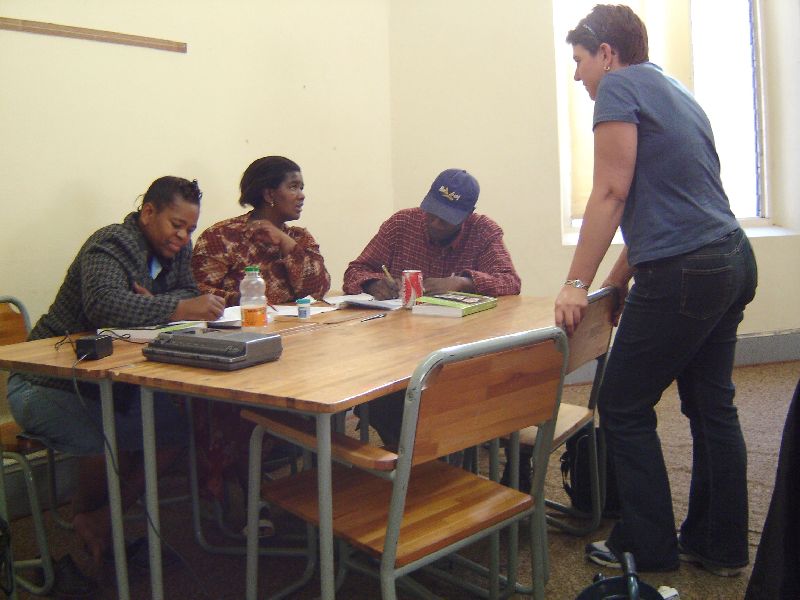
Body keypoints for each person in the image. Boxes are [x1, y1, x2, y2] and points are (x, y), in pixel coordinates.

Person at [555, 5, 757, 575]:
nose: (578, 76)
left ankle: (647, 546)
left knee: (621, 402)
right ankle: (719, 546)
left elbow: (612, 193)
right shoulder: (673, 88)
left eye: (579, 61)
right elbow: (667, 202)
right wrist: (618, 281)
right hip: (732, 257)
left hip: (686, 271)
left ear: (607, 54)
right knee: (711, 404)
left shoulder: (617, 88)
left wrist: (577, 283)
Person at [7, 176, 225, 578]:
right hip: (45, 380)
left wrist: (159, 303)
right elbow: (106, 306)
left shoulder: (176, 251)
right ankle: (83, 548)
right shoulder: (112, 243)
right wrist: (175, 307)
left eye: (190, 229)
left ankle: (102, 518)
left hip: (110, 382)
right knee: (100, 438)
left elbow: (188, 294)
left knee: (176, 431)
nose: (183, 236)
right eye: (176, 224)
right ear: (148, 212)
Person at [343, 168, 524, 481]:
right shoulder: (402, 223)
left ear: (468, 215)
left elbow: (510, 281)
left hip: (459, 351)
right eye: (432, 213)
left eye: (446, 219)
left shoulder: (484, 231)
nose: (435, 223)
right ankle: (414, 461)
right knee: (384, 396)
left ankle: (437, 461)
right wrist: (372, 283)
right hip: (401, 348)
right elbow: (355, 271)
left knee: (477, 388)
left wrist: (463, 281)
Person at [190, 156, 330, 517]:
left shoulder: (298, 237)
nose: (302, 195)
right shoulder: (221, 237)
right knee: (237, 412)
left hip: (299, 350)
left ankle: (318, 491)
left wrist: (285, 243)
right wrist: (256, 306)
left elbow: (318, 288)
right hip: (242, 352)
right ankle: (245, 498)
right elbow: (203, 297)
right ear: (269, 193)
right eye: (293, 186)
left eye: (302, 187)